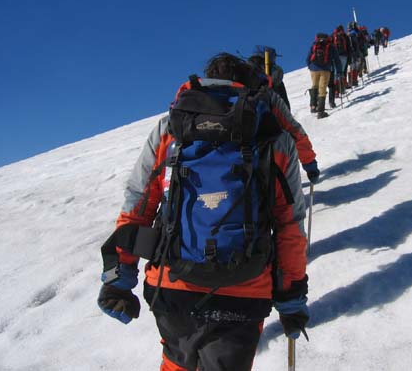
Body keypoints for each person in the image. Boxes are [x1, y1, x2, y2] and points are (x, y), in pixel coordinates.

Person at [97, 54, 312, 371]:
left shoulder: (171, 127)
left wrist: (118, 278)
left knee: (175, 364)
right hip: (245, 287)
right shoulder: (272, 134)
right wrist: (291, 297)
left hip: (172, 283)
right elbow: (288, 224)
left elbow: (139, 204)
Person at [306, 33, 341, 119]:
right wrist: (339, 71)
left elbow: (308, 58)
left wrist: (310, 66)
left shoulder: (315, 44)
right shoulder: (331, 46)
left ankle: (313, 106)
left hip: (314, 69)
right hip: (325, 69)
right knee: (322, 89)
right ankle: (321, 112)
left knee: (315, 86)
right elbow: (337, 60)